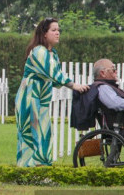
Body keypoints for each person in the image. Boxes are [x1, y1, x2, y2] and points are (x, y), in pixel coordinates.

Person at [15, 17, 89, 167]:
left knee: (44, 132)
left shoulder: (53, 54)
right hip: (30, 95)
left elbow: (55, 80)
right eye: (53, 30)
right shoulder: (38, 51)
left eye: (58, 30)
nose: (57, 33)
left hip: (42, 96)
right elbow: (54, 73)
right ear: (44, 34)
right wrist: (74, 85)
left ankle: (39, 164)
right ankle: (30, 166)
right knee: (33, 132)